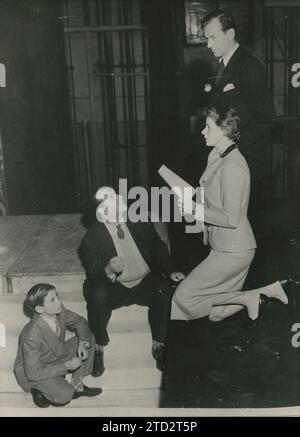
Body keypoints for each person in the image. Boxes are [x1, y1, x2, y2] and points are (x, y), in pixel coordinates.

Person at [171, 104, 295, 324]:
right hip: (222, 246)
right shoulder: (216, 156)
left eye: (207, 127)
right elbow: (211, 192)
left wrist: (195, 210)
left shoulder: (233, 167)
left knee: (184, 298)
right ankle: (268, 291)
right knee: (217, 313)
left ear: (224, 129)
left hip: (234, 251)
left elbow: (230, 218)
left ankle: (250, 297)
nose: (202, 131)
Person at [80, 187, 185, 376]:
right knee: (97, 295)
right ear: (102, 213)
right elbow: (95, 275)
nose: (119, 211)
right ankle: (98, 346)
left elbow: (158, 248)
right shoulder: (91, 238)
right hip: (115, 288)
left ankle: (159, 343)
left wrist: (171, 270)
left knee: (162, 288)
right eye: (112, 208)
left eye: (119, 206)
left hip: (144, 282)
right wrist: (109, 269)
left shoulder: (138, 222)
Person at [202, 9, 276, 212]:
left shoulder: (249, 66)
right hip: (227, 162)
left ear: (231, 34)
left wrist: (232, 146)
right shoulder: (222, 66)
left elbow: (266, 119)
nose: (209, 45)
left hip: (246, 165)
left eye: (213, 37)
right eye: (207, 39)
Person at [14, 283, 102, 408]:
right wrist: (65, 366)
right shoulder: (30, 334)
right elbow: (33, 372)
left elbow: (80, 322)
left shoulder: (59, 311)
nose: (59, 302)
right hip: (34, 371)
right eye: (52, 300)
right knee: (65, 395)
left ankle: (78, 386)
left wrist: (82, 343)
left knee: (88, 338)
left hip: (54, 355)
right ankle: (37, 390)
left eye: (57, 296)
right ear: (39, 309)